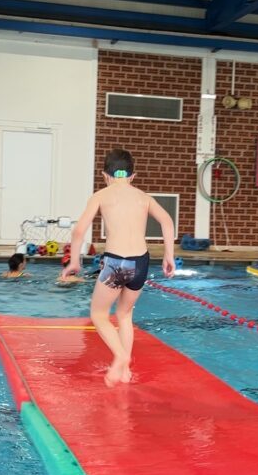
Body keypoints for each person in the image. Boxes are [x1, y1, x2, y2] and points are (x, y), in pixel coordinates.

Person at [61, 149, 176, 387]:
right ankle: (125, 372)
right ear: (133, 176)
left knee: (99, 315)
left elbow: (79, 231)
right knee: (125, 314)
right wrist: (169, 255)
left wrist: (74, 261)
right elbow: (167, 221)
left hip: (117, 263)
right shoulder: (144, 198)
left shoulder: (101, 195)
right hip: (141, 262)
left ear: (105, 175)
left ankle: (121, 357)